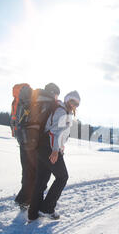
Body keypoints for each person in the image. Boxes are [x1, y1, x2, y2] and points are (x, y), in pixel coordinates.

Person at [28, 90, 81, 221]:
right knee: (62, 177)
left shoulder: (62, 110)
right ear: (67, 99)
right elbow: (54, 133)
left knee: (41, 181)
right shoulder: (62, 112)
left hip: (42, 147)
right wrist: (56, 150)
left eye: (77, 104)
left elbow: (58, 133)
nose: (74, 105)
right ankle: (47, 208)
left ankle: (33, 213)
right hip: (50, 148)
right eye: (73, 101)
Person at [14, 83, 60, 209]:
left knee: (27, 171)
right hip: (36, 142)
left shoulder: (33, 97)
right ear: (53, 93)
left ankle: (24, 200)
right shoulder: (49, 102)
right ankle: (26, 200)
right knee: (38, 174)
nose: (56, 97)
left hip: (23, 138)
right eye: (56, 94)